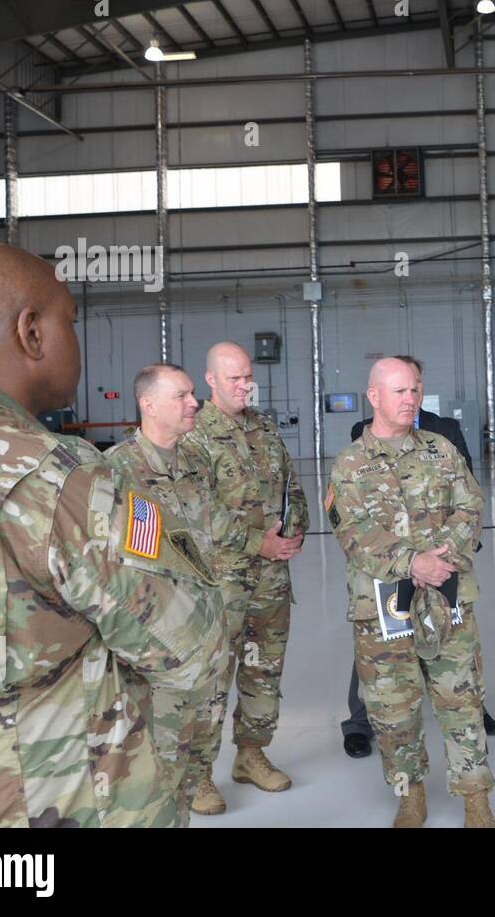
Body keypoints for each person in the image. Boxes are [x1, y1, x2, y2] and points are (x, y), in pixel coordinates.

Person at [0, 242, 225, 827]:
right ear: (31, 333)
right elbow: (193, 645)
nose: (76, 340)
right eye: (69, 322)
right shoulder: (65, 483)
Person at [327, 357, 495, 828]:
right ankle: (411, 794)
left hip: (447, 593)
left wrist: (445, 555)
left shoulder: (441, 449)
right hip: (384, 608)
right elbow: (354, 534)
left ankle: (476, 799)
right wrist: (411, 562)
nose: (410, 399)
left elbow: (471, 505)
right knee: (392, 707)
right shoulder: (350, 465)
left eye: (415, 390)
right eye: (399, 391)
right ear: (374, 397)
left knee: (461, 698)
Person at [183, 342, 308, 815]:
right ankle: (198, 776)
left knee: (264, 671)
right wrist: (259, 542)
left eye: (247, 377)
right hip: (224, 583)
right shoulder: (195, 435)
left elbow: (292, 486)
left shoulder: (264, 427)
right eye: (233, 379)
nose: (244, 386)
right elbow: (198, 510)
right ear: (210, 379)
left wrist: (295, 528)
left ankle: (251, 755)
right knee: (214, 677)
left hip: (272, 581)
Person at [106, 363, 228, 822]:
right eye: (181, 395)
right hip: (161, 650)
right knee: (162, 765)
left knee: (202, 747)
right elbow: (113, 572)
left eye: (192, 393)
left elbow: (211, 536)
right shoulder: (118, 470)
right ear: (148, 404)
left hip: (210, 635)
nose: (193, 402)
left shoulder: (197, 461)